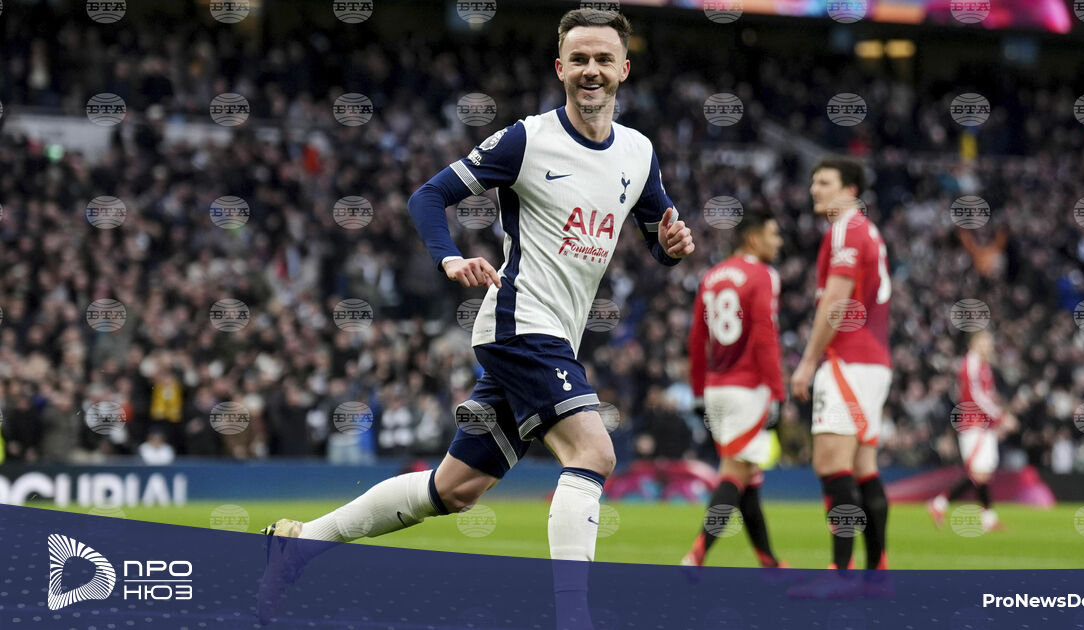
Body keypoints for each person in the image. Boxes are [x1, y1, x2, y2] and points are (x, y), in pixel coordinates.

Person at [257, 8, 695, 626]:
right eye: (579, 59)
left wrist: (672, 247)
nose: (591, 70)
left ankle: (300, 544)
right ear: (560, 67)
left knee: (453, 489)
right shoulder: (527, 140)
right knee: (594, 454)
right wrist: (450, 258)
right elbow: (428, 195)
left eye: (604, 59)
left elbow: (660, 235)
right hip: (521, 325)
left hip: (554, 338)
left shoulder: (639, 152)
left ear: (624, 69)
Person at [789, 157, 892, 571]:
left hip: (847, 359)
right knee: (864, 468)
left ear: (849, 190)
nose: (814, 189)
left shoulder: (846, 229)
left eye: (824, 182)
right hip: (874, 361)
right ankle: (876, 572)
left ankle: (841, 574)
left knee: (831, 464)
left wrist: (808, 362)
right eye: (813, 182)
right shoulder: (869, 230)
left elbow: (836, 302)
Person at [682, 210, 787, 569]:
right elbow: (765, 335)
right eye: (773, 234)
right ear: (754, 238)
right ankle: (695, 556)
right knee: (734, 474)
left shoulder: (711, 276)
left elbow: (697, 339)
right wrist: (777, 391)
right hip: (748, 389)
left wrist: (698, 391)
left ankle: (769, 562)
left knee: (748, 477)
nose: (779, 242)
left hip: (716, 389)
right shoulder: (763, 275)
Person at [927, 330, 1016, 532]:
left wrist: (995, 421)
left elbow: (987, 396)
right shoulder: (971, 364)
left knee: (983, 473)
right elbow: (976, 396)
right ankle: (940, 503)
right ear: (973, 343)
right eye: (984, 341)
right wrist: (1001, 417)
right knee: (977, 473)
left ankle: (985, 518)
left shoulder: (983, 365)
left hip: (984, 425)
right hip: (972, 424)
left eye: (989, 342)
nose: (988, 346)